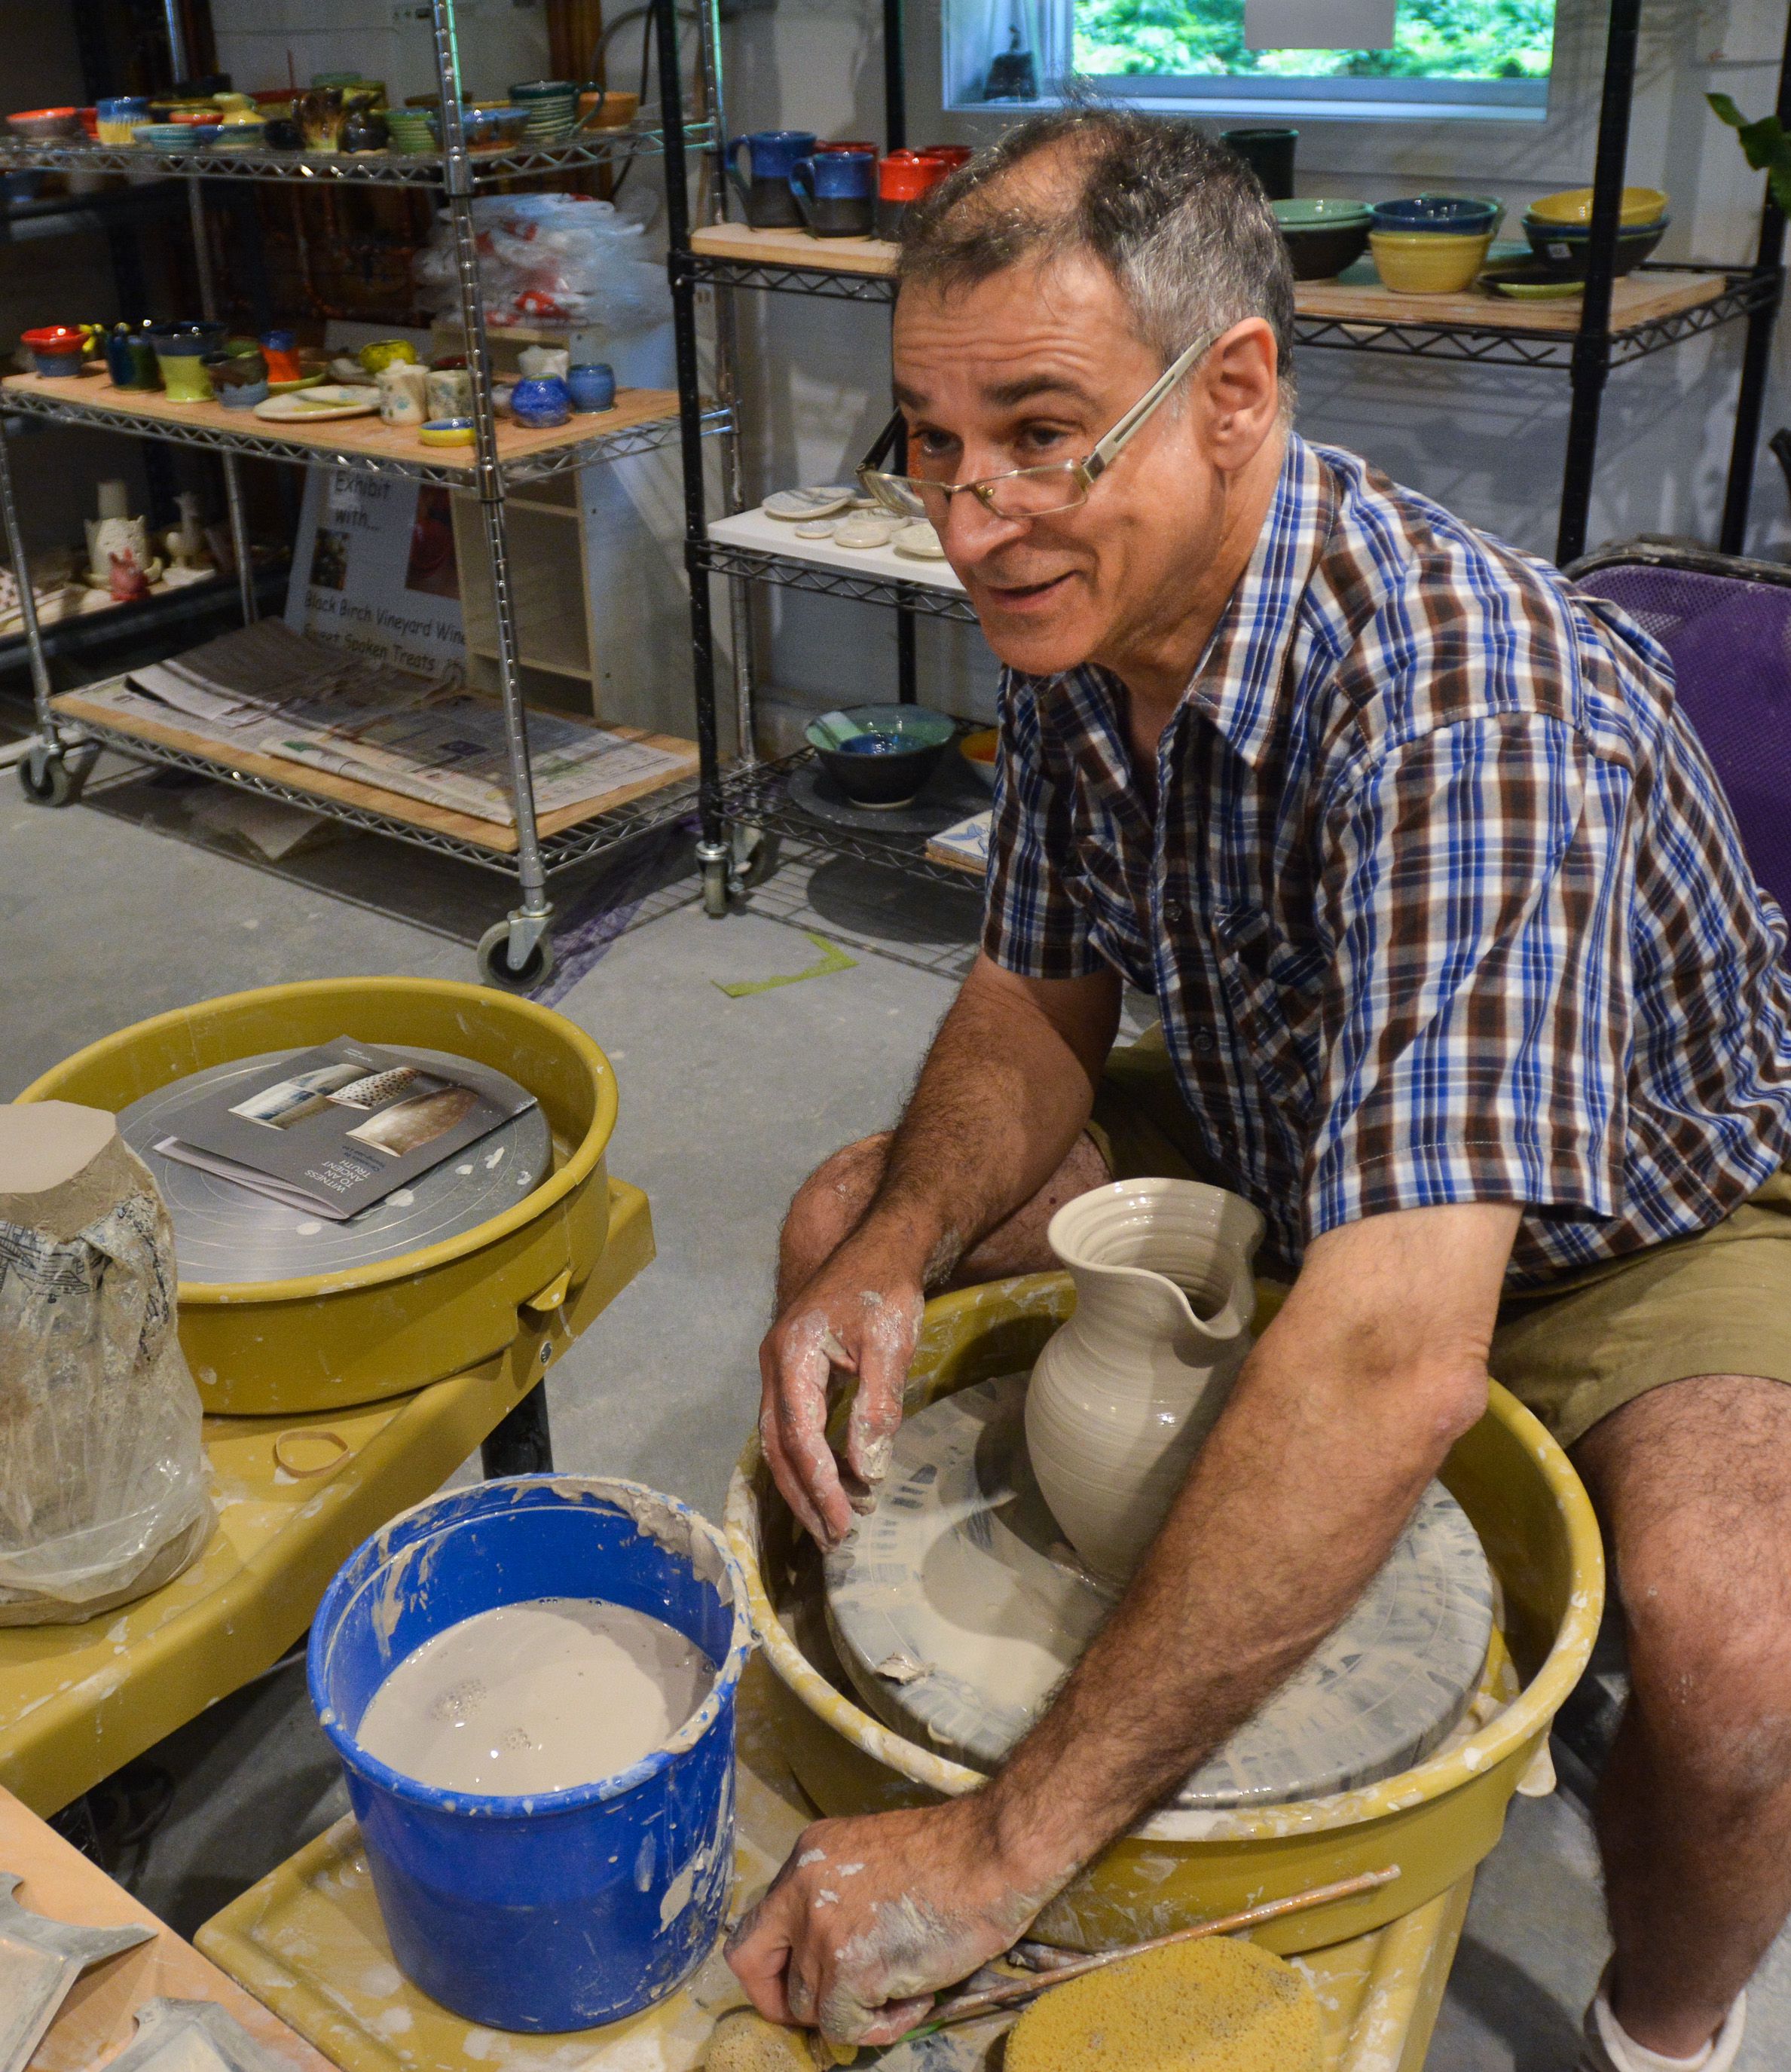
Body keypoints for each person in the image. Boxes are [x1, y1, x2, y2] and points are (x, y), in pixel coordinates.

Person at [729, 106, 1791, 2072]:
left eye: (1042, 435)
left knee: (1743, 1668)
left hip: (1641, 1215)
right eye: (934, 447)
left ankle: (1664, 2037)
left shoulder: (1472, 717)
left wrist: (1003, 1844)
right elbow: (1031, 996)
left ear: (1229, 396)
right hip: (1285, 1114)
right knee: (843, 1234)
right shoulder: (1080, 612)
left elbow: (1396, 1350)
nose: (973, 521)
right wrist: (887, 1249)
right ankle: (886, 1743)